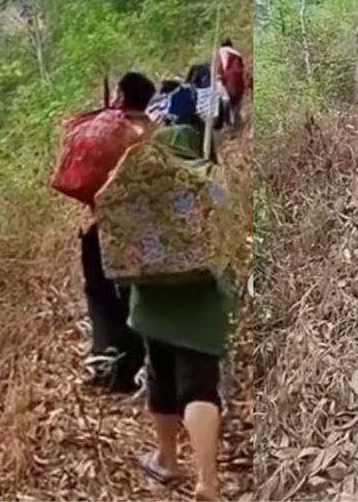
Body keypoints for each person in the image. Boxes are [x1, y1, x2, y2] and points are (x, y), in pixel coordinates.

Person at [130, 121, 233, 501]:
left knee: (161, 376)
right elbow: (230, 240)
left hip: (152, 301)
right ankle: (207, 480)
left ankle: (167, 460)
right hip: (202, 302)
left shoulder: (142, 186)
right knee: (199, 387)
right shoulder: (213, 183)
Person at [80, 72, 155, 392]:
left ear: (121, 96)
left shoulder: (107, 130)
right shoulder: (153, 133)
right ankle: (133, 365)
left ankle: (106, 360)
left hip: (99, 226)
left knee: (99, 294)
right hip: (140, 229)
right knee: (132, 295)